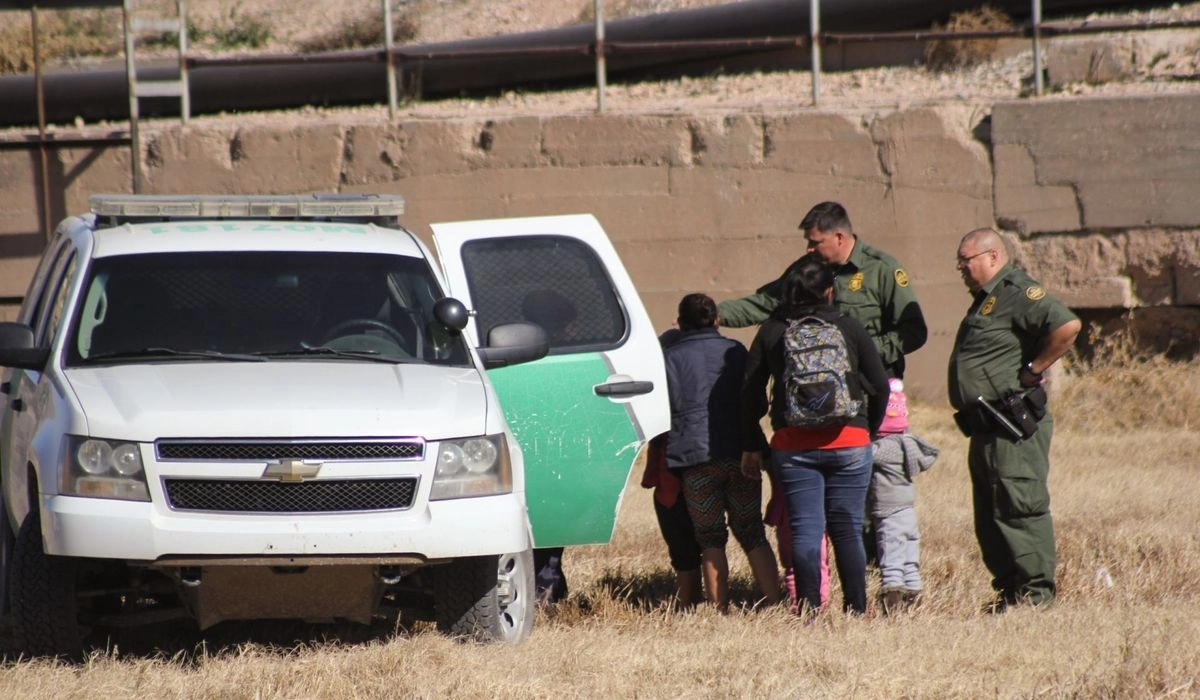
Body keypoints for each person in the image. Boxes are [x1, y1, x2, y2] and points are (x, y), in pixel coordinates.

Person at [719, 200, 927, 588]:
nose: (809, 248)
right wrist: (716, 314)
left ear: (840, 237)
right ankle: (839, 584)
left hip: (872, 397)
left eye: (815, 242)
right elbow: (764, 302)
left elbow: (914, 331)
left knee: (881, 496)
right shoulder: (807, 271)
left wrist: (863, 354)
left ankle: (889, 578)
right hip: (812, 409)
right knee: (833, 507)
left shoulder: (882, 270)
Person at [741, 254, 890, 616]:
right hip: (850, 441)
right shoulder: (848, 326)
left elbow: (749, 392)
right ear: (829, 291)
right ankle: (856, 608)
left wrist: (754, 442)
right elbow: (881, 385)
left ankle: (810, 611)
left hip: (793, 446)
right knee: (847, 530)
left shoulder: (773, 331)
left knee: (806, 529)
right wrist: (866, 430)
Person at [948, 227, 1081, 611]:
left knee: (1020, 506)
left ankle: (1035, 596)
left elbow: (1067, 325)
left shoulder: (1017, 291)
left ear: (993, 256)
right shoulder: (986, 300)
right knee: (991, 514)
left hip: (1012, 425)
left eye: (966, 259)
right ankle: (1011, 593)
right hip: (986, 427)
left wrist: (1035, 367)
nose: (960, 267)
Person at [663, 293, 780, 612]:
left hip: (695, 458)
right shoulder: (735, 350)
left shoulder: (671, 357)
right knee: (752, 532)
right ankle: (775, 602)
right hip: (741, 452)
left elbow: (667, 407)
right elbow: (755, 399)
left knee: (710, 537)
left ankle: (720, 609)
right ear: (717, 320)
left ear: (681, 322)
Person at [638, 328, 704, 608]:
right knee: (709, 542)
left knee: (682, 544)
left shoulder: (662, 394)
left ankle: (690, 601)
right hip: (703, 468)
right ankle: (710, 599)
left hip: (673, 477)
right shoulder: (705, 385)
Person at [869, 377, 940, 614]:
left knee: (891, 560)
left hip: (890, 513)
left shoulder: (887, 447)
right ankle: (914, 601)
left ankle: (893, 604)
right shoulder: (908, 442)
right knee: (910, 560)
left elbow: (862, 453)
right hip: (908, 511)